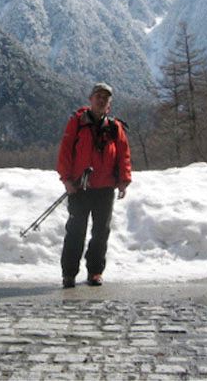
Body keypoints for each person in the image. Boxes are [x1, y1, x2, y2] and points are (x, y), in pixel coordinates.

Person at [56, 82, 132, 288]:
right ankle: (69, 274)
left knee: (101, 232)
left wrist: (123, 181)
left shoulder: (115, 128)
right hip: (79, 187)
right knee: (75, 231)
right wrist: (66, 180)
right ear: (90, 99)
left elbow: (124, 156)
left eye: (105, 98)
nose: (101, 100)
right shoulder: (77, 123)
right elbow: (65, 152)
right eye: (98, 96)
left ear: (109, 104)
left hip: (105, 189)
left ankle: (95, 272)